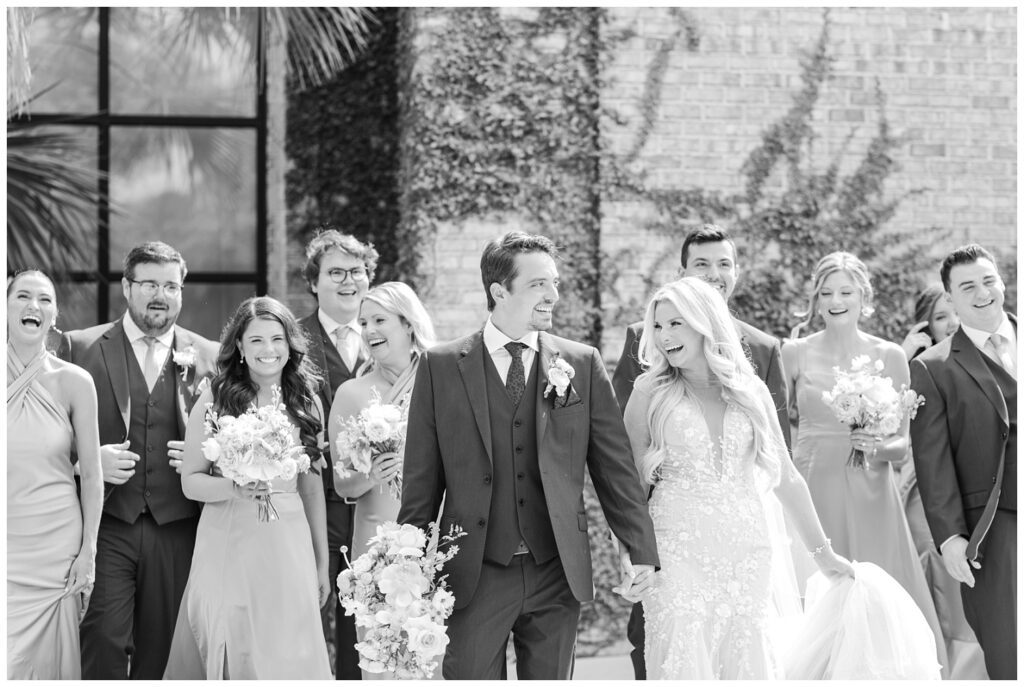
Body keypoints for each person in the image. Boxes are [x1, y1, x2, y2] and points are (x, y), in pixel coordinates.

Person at [398, 231, 659, 680]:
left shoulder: (581, 363)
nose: (553, 295)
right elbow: (421, 482)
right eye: (539, 284)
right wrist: (405, 569)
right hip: (472, 574)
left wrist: (640, 549)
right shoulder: (441, 366)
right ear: (499, 291)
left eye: (554, 283)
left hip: (556, 570)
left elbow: (614, 470)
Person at [622, 277, 854, 679]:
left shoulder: (751, 390)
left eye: (676, 323)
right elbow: (628, 489)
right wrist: (628, 557)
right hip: (675, 549)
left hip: (747, 549)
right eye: (658, 326)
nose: (663, 336)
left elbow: (787, 479)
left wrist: (824, 556)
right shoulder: (648, 391)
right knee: (684, 651)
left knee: (747, 656)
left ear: (704, 322)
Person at [612, 223, 791, 679]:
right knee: (673, 650)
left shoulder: (764, 354)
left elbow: (778, 461)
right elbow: (624, 467)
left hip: (745, 538)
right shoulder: (645, 349)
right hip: (675, 538)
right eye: (702, 264)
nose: (714, 274)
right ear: (684, 271)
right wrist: (634, 550)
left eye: (724, 263)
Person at [58, 242, 219, 679]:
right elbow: (46, 440)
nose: (160, 294)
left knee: (168, 648)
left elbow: (233, 442)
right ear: (127, 287)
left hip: (179, 527)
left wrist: (206, 456)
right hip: (108, 523)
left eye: (171, 285)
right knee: (102, 639)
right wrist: (83, 463)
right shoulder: (79, 347)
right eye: (149, 283)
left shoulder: (211, 356)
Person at [781, 251, 947, 674]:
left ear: (862, 297)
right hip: (814, 482)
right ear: (816, 300)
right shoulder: (793, 353)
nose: (836, 300)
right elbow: (778, 430)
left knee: (878, 592)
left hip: (873, 490)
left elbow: (902, 446)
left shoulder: (891, 354)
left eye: (846, 292)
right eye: (827, 292)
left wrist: (873, 445)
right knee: (816, 591)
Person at [163, 296, 332, 679]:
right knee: (233, 641)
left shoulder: (306, 402)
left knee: (288, 646)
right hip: (229, 540)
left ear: (291, 344)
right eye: (256, 340)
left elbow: (311, 491)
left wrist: (321, 564)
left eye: (277, 339)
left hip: (288, 543)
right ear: (239, 346)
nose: (268, 350)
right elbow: (191, 482)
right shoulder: (215, 398)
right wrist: (235, 490)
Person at [910, 244, 1016, 680]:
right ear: (950, 300)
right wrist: (951, 536)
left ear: (1002, 282)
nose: (982, 292)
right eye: (967, 286)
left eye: (988, 280)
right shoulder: (932, 367)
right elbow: (932, 460)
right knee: (1010, 646)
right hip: (994, 525)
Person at [329, 282, 437, 679]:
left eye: (379, 320)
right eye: (363, 322)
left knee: (433, 652)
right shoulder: (351, 392)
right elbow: (342, 486)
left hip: (434, 536)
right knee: (382, 656)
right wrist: (370, 474)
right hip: (375, 543)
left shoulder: (440, 378)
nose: (369, 330)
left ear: (408, 324)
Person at [7, 271, 103, 679]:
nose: (34, 306)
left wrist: (89, 552)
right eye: (23, 296)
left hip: (57, 551)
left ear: (54, 314)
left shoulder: (75, 382)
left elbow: (94, 476)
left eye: (44, 299)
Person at [298, 227, 377, 679]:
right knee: (311, 612)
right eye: (335, 273)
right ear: (314, 282)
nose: (348, 281)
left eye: (357, 271)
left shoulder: (386, 332)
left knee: (364, 624)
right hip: (313, 502)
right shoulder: (291, 339)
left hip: (373, 503)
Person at [898, 284, 985, 679]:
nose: (951, 324)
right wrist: (904, 356)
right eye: (939, 317)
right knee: (933, 575)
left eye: (954, 312)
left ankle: (967, 670)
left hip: (979, 491)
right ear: (924, 327)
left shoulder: (988, 359)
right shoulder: (916, 369)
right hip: (924, 491)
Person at [900, 284, 960, 361]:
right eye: (941, 317)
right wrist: (901, 358)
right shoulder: (920, 369)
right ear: (928, 330)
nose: (955, 323)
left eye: (959, 312)